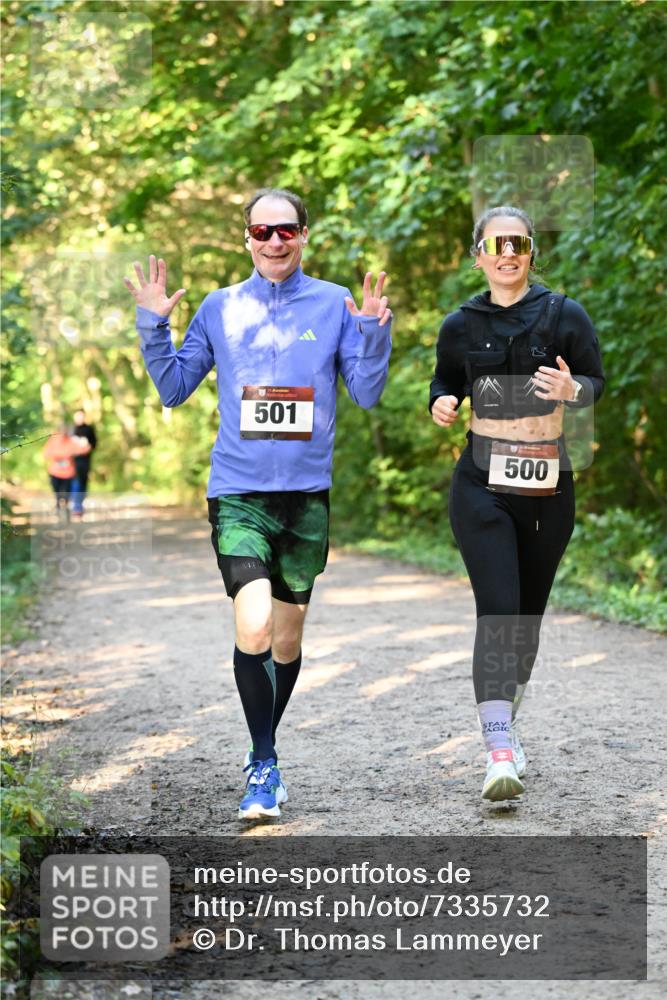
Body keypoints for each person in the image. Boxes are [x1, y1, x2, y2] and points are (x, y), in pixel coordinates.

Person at [125, 188, 392, 819]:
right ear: (246, 237)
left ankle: (262, 749)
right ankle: (264, 763)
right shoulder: (220, 307)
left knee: (287, 641)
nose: (275, 240)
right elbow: (172, 388)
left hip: (306, 499)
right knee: (254, 625)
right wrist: (153, 324)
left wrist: (374, 336)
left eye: (287, 230)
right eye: (262, 230)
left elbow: (367, 394)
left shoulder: (334, 304)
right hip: (239, 493)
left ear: (304, 235)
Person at [429, 206, 604, 802]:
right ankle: (498, 747)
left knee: (524, 623)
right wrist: (443, 404)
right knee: (499, 609)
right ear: (477, 255)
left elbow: (595, 381)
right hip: (480, 483)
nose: (508, 253)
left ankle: (506, 722)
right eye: (495, 244)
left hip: (548, 488)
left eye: (519, 243)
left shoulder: (564, 315)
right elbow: (444, 381)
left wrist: (573, 389)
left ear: (531, 252)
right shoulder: (459, 324)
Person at [43, 424, 91, 519]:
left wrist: (85, 445)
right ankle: (58, 505)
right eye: (61, 431)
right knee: (57, 492)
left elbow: (84, 449)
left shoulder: (71, 441)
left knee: (66, 493)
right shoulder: (52, 440)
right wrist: (63, 455)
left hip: (68, 473)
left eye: (65, 431)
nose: (63, 433)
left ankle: (64, 507)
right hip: (55, 472)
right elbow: (46, 453)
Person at [70, 409, 97, 519]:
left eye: (81, 416)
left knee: (83, 482)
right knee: (74, 482)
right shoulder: (70, 430)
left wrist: (87, 446)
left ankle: (79, 504)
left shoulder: (89, 429)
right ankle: (76, 507)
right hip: (71, 461)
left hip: (85, 461)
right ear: (74, 417)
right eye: (77, 416)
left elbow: (94, 444)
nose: (79, 418)